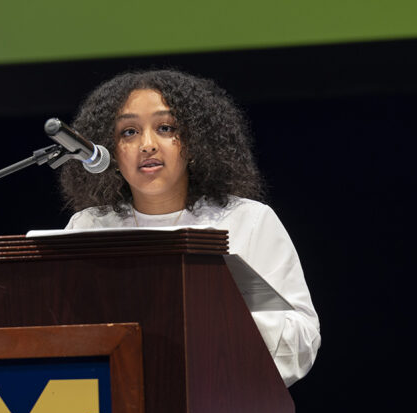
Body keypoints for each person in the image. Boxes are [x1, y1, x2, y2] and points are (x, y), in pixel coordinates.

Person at [59, 69, 321, 386]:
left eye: (165, 128)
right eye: (128, 132)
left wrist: (211, 324)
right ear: (111, 150)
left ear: (194, 142)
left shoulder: (247, 221)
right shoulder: (88, 226)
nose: (147, 144)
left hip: (222, 402)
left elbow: (302, 338)